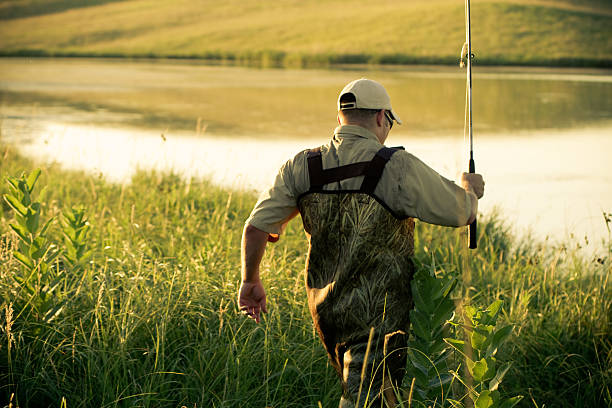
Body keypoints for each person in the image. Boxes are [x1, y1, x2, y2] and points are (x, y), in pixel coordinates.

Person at [238, 78, 484, 407]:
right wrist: (470, 190)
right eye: (389, 123)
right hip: (379, 320)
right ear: (382, 117)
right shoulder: (397, 167)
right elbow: (462, 213)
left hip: (327, 314)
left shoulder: (302, 166)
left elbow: (255, 228)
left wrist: (250, 280)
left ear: (341, 118)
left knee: (363, 394)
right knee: (367, 399)